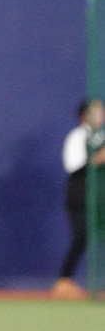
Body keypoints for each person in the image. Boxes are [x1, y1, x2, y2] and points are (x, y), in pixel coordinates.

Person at [52, 98, 105, 300]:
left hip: (100, 198)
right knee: (82, 236)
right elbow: (73, 165)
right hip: (80, 197)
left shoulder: (100, 137)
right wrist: (97, 159)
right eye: (96, 112)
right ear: (84, 115)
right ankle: (63, 283)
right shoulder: (77, 137)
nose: (100, 116)